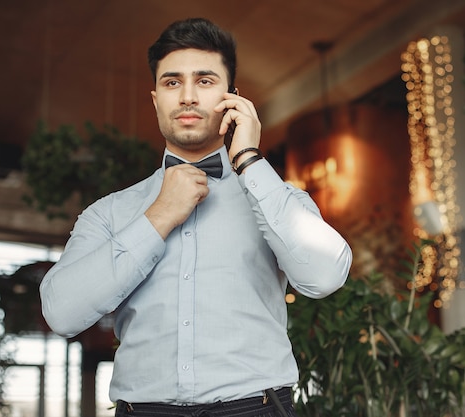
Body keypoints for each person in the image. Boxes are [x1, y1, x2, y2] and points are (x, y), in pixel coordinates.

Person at [40, 17, 352, 417]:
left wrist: (249, 160)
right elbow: (61, 312)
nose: (187, 96)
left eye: (205, 81)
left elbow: (325, 277)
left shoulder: (279, 198)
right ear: (156, 100)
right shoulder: (109, 212)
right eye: (172, 83)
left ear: (232, 99)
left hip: (256, 408)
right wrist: (158, 217)